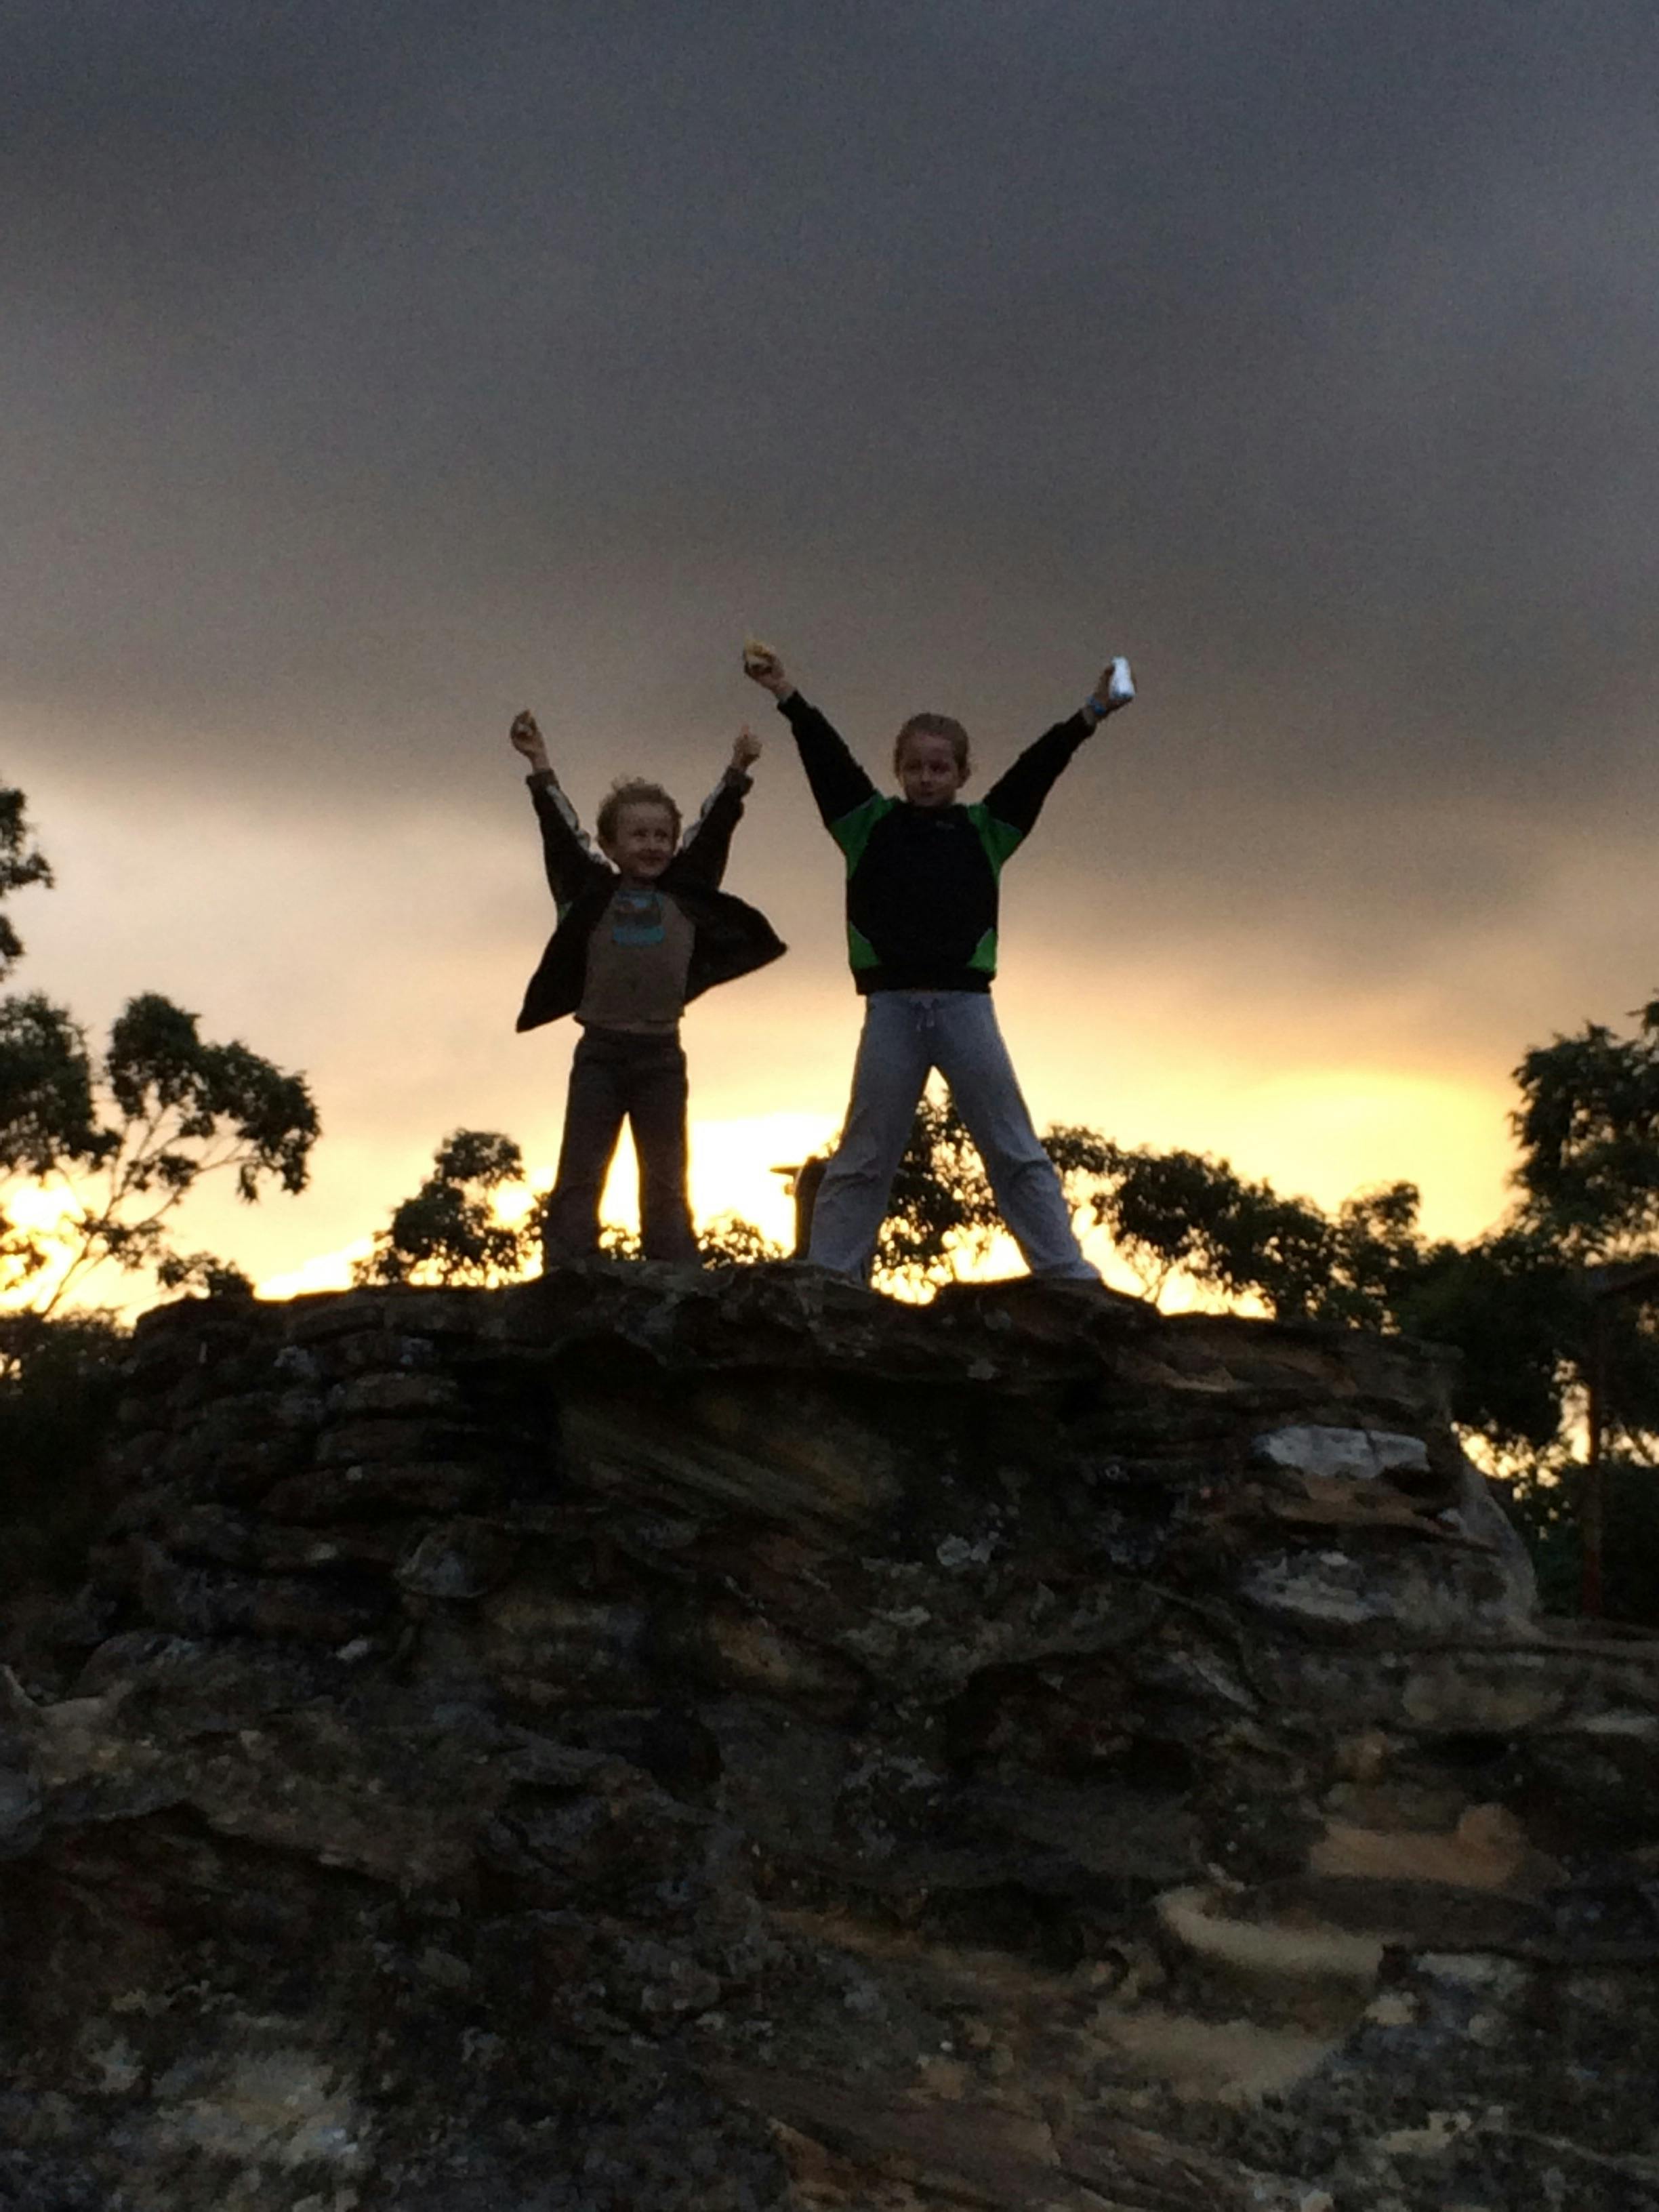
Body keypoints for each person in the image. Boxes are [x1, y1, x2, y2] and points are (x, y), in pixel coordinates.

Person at [741, 642, 1134, 1284]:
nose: (928, 777)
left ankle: (1066, 1276)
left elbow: (1038, 769)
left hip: (965, 1008)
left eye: (941, 767)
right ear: (898, 770)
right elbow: (827, 759)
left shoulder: (988, 830)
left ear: (961, 774)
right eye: (916, 767)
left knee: (1012, 1147)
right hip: (891, 1010)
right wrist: (786, 693)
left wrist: (1092, 712)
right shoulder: (865, 825)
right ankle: (834, 1277)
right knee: (864, 1154)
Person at [510, 710, 784, 1264]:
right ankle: (568, 1267)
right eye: (638, 835)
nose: (653, 845)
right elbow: (562, 833)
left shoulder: (686, 891)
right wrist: (540, 765)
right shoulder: (587, 893)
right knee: (582, 1167)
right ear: (610, 846)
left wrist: (737, 771)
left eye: (663, 835)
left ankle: (673, 1270)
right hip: (600, 1054)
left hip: (662, 1055)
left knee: (665, 1174)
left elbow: (713, 831)